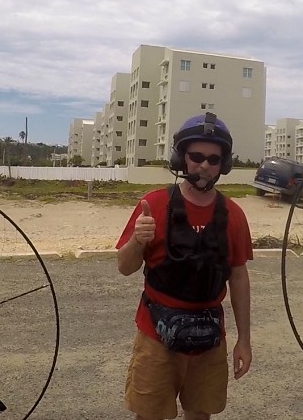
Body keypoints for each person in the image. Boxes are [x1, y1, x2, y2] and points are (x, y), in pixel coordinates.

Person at [116, 112, 253, 420]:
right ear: (182, 159)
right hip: (156, 336)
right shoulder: (154, 204)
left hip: (209, 339)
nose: (204, 165)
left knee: (201, 414)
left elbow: (239, 278)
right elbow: (124, 267)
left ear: (223, 165)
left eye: (214, 159)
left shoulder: (233, 214)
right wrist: (138, 240)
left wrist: (244, 341)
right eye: (196, 156)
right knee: (148, 415)